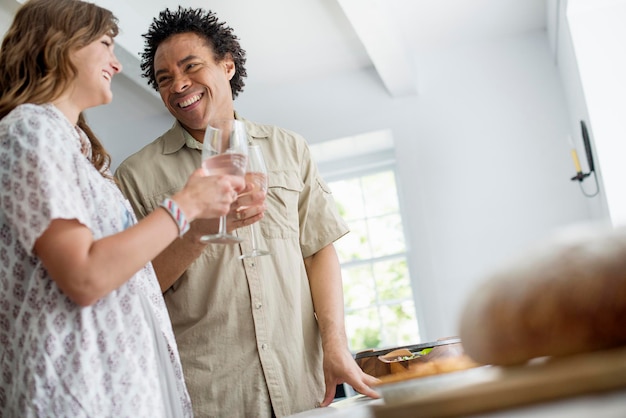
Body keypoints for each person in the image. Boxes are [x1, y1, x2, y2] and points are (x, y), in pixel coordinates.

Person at [114, 6, 380, 418]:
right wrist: (199, 230)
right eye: (164, 79)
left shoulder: (288, 148)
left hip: (301, 385)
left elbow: (318, 249)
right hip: (209, 395)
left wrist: (335, 345)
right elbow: (137, 290)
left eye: (191, 67)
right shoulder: (137, 175)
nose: (179, 85)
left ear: (227, 65)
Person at [0, 0, 245, 416]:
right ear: (62, 44)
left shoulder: (73, 147)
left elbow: (120, 271)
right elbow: (86, 276)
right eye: (107, 44)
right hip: (78, 395)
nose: (116, 64)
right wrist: (183, 205)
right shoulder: (30, 131)